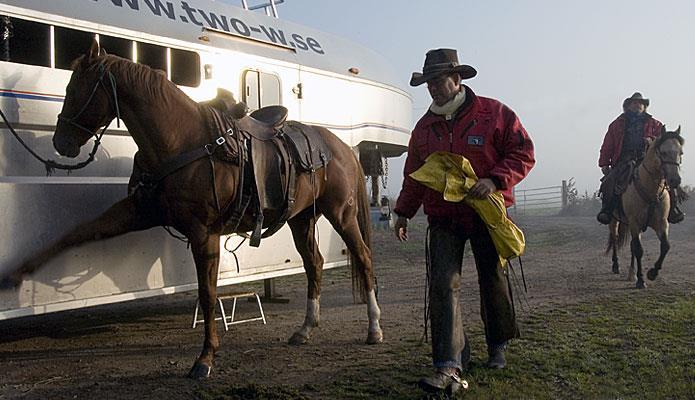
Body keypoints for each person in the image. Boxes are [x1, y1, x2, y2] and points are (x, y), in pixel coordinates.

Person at [393, 48, 535, 395]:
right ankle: (449, 363)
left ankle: (498, 343)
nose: (433, 90)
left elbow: (524, 152)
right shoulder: (424, 127)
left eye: (438, 82)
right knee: (443, 285)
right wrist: (403, 212)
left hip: (487, 213)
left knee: (493, 280)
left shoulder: (495, 114)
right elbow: (415, 174)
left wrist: (496, 179)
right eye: (428, 84)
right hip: (443, 217)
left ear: (457, 80)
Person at [597, 92, 684, 224]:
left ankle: (673, 209)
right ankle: (607, 210)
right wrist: (604, 163)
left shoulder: (655, 124)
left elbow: (663, 142)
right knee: (610, 181)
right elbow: (608, 144)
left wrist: (652, 140)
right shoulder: (617, 124)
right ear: (629, 106)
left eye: (640, 103)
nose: (637, 105)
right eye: (634, 103)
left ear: (644, 106)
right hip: (624, 159)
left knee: (668, 179)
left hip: (648, 159)